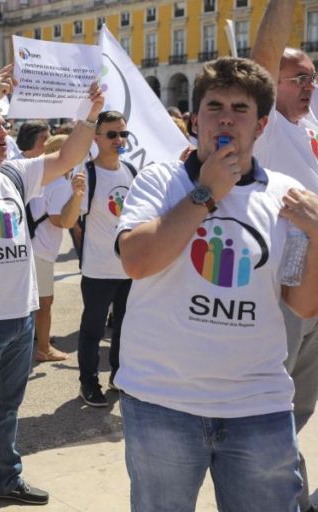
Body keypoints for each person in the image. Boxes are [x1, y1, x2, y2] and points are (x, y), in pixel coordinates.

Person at [116, 56, 318, 511]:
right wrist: (205, 193)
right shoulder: (158, 181)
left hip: (257, 406)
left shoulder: (285, 197)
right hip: (161, 400)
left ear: (261, 124)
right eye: (214, 106)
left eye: (240, 109)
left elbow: (302, 305)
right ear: (194, 119)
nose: (226, 117)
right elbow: (137, 261)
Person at [0, 63, 103, 512]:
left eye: (4, 124)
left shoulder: (14, 174)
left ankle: (6, 479)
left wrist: (89, 116)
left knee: (6, 407)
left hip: (20, 315)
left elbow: (68, 158)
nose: (2, 131)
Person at [251, 4, 318, 509]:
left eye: (312, 78)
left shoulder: (310, 125)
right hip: (287, 280)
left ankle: (290, 492)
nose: (308, 86)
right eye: (298, 78)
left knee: (301, 404)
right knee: (279, 401)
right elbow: (264, 55)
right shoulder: (269, 123)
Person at [75, 111, 135, 407]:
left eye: (123, 134)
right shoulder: (89, 174)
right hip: (98, 268)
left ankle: (118, 375)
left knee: (125, 326)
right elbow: (73, 218)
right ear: (96, 138)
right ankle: (88, 382)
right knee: (93, 329)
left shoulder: (132, 171)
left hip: (129, 268)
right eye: (112, 134)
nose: (119, 140)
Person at [30, 136, 82, 362]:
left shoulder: (40, 177)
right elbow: (59, 220)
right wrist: (77, 200)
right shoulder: (60, 184)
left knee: (33, 300)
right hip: (42, 249)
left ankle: (35, 338)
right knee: (44, 302)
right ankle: (44, 347)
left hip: (32, 246)